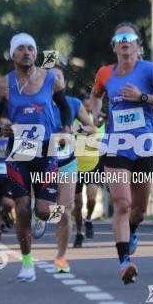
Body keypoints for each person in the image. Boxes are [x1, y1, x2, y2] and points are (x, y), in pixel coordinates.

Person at [88, 22, 153, 284]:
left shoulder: (149, 70)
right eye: (120, 38)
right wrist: (95, 111)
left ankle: (133, 230)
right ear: (114, 46)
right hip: (116, 147)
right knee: (122, 204)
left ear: (138, 44)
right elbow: (95, 95)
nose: (125, 42)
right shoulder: (105, 73)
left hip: (142, 149)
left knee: (138, 211)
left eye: (130, 38)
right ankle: (124, 261)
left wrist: (143, 98)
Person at [0, 32, 72, 283]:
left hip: (46, 150)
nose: (27, 52)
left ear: (36, 53)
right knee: (22, 208)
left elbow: (66, 107)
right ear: (13, 54)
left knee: (44, 210)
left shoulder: (51, 79)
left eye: (31, 48)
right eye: (21, 49)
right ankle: (27, 263)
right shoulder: (4, 84)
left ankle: (53, 216)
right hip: (18, 152)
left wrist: (67, 127)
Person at [51, 93, 95, 272]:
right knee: (48, 208)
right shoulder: (36, 100)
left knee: (67, 209)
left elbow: (91, 128)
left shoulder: (73, 103)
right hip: (43, 160)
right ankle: (41, 215)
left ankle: (61, 257)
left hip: (71, 161)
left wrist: (76, 130)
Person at [73, 93, 104, 248]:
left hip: (93, 165)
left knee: (91, 198)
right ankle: (79, 233)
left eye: (89, 105)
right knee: (77, 204)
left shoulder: (99, 122)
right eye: (84, 106)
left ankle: (89, 219)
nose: (87, 108)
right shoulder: (73, 121)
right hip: (75, 166)